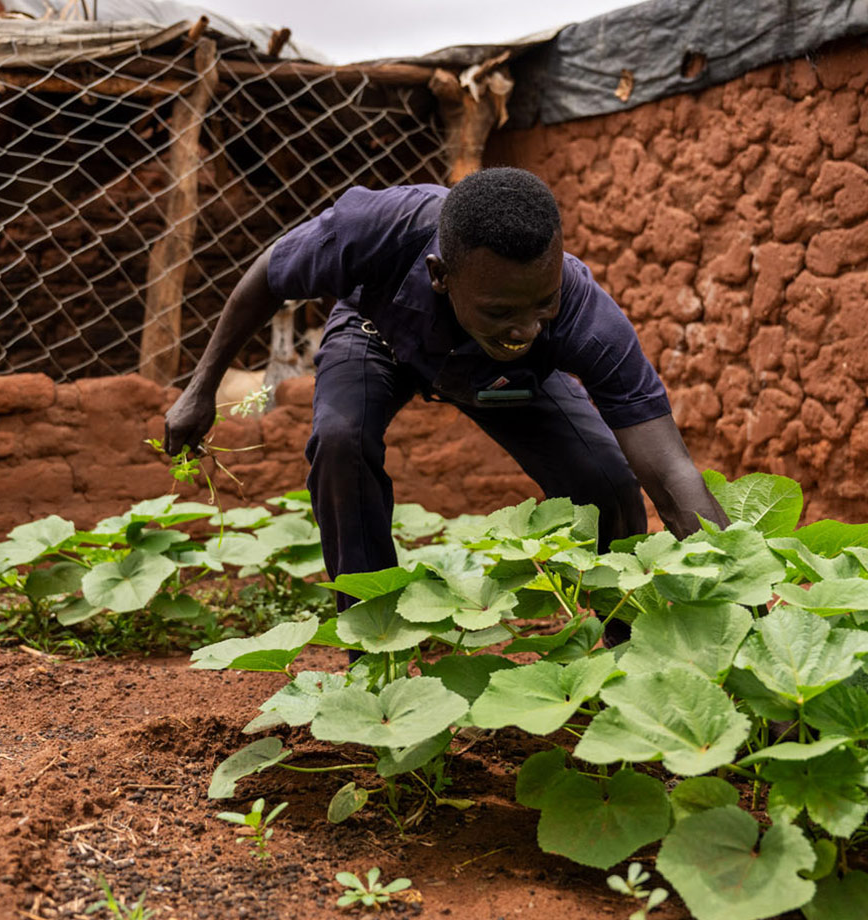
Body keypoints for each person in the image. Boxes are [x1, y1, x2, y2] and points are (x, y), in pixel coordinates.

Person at [162, 168, 727, 641]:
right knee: (340, 441)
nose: (526, 326)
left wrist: (743, 602)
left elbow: (671, 473)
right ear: (440, 276)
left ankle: (625, 642)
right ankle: (374, 646)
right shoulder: (373, 228)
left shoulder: (578, 318)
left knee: (606, 479)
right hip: (375, 331)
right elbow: (268, 277)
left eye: (543, 302)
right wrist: (200, 389)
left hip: (503, 374)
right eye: (502, 308)